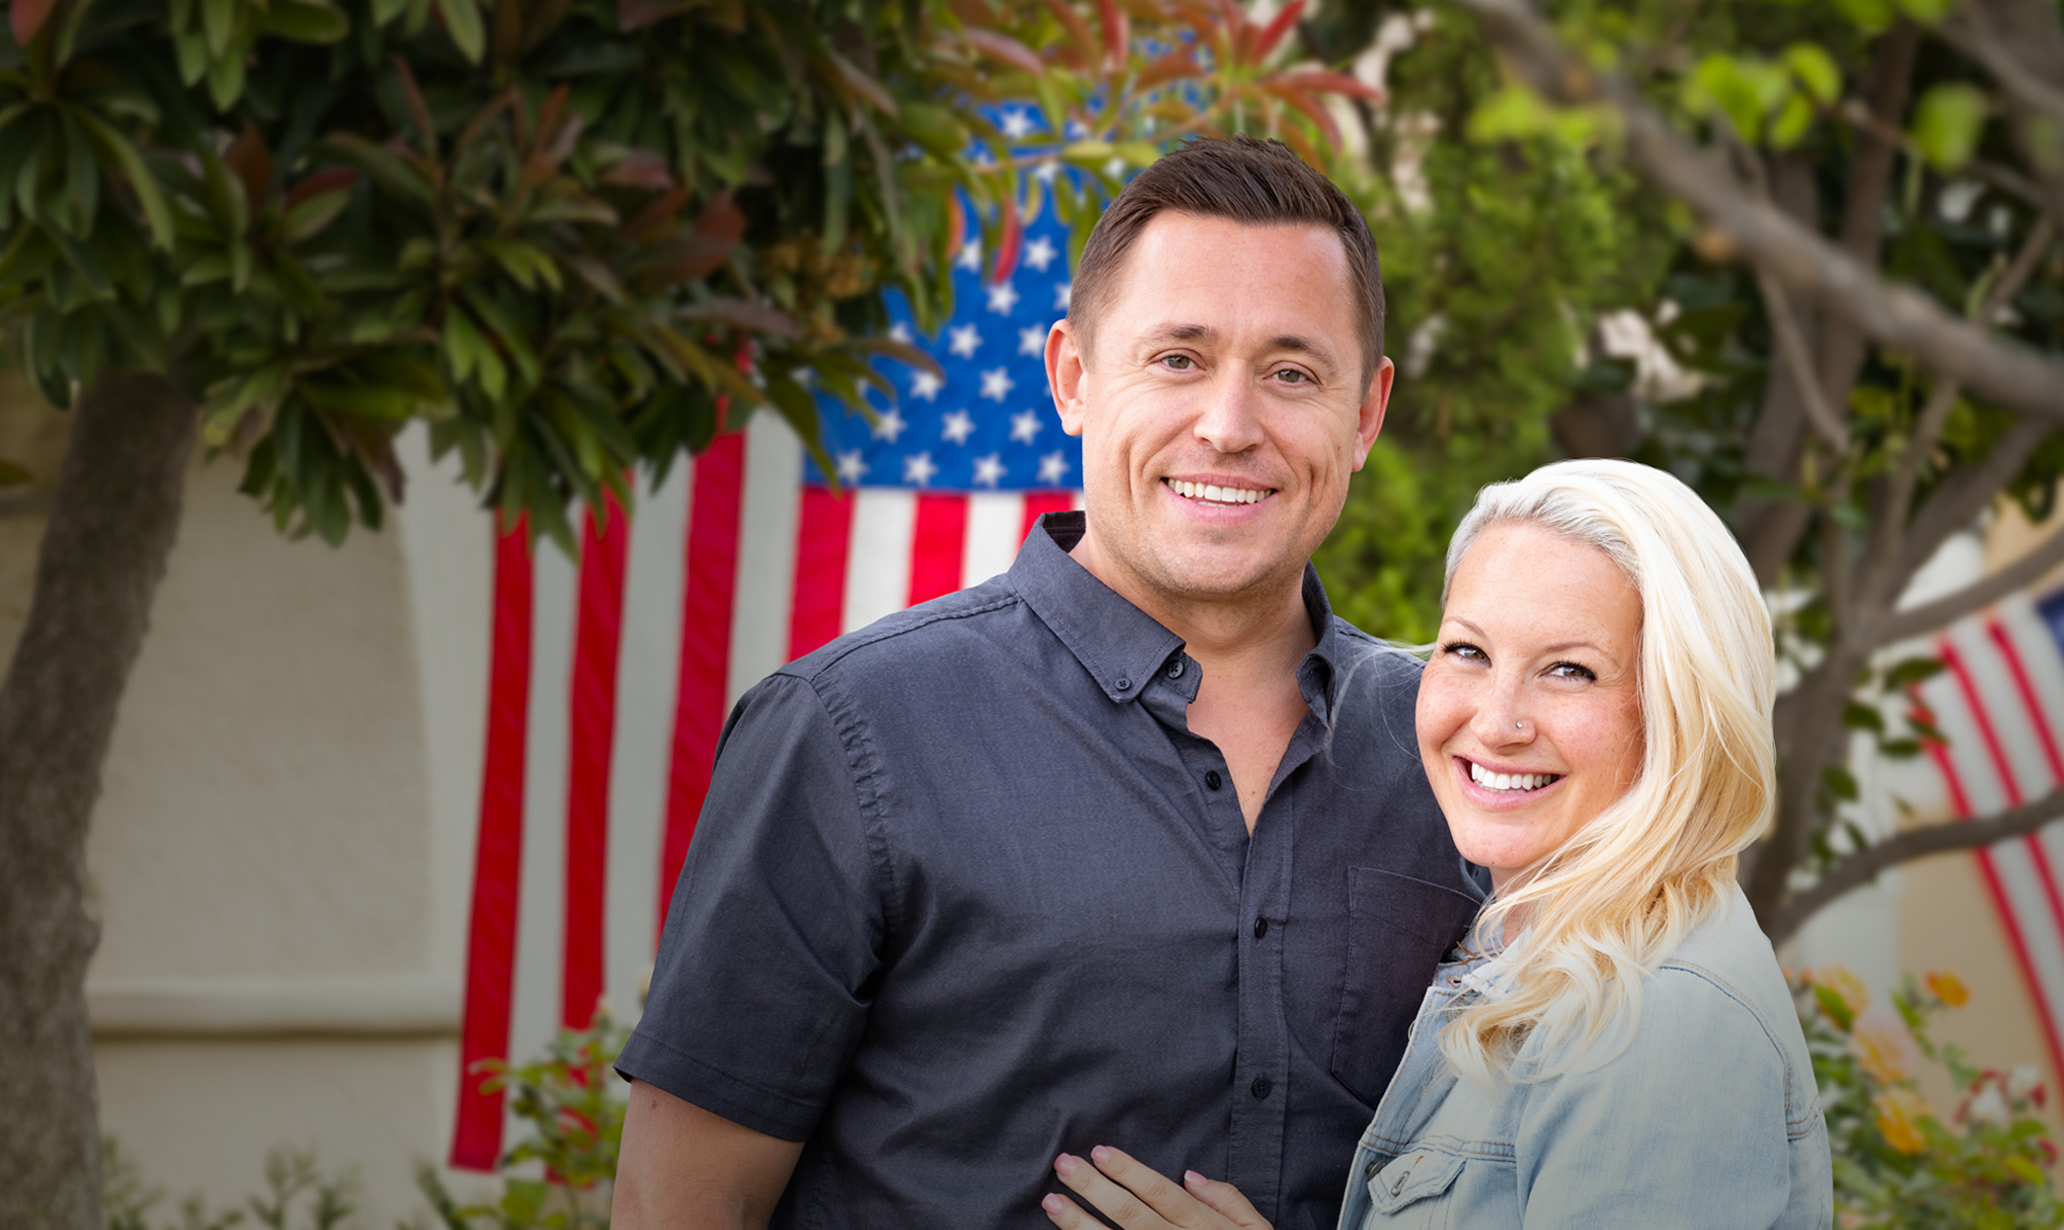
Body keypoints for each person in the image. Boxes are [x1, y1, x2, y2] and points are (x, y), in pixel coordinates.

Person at [608, 135, 1486, 1229]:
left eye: (1292, 372)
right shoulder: (850, 735)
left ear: (1366, 414)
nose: (1228, 425)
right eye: (1177, 359)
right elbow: (678, 1208)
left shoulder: (1456, 758)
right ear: (1072, 378)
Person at [1041, 459, 1832, 1229]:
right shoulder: (1530, 952)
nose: (1496, 721)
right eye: (1468, 651)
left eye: (1569, 671)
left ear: (1682, 710)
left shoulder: (1660, 1017)